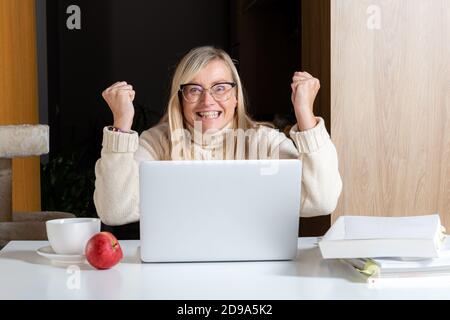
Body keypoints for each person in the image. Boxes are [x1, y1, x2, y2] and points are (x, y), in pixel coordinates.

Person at [94, 46, 342, 226]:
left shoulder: (264, 141)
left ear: (235, 97)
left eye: (220, 88)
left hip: (255, 272)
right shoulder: (156, 143)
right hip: (175, 274)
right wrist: (122, 126)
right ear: (180, 99)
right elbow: (114, 211)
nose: (207, 100)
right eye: (194, 89)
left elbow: (321, 200)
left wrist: (305, 115)